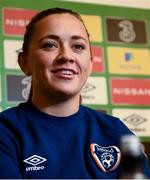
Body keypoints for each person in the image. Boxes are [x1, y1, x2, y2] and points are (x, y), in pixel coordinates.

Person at [0, 7, 149, 179]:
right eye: (50, 45)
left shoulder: (116, 131)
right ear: (24, 62)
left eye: (78, 46)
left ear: (91, 64)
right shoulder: (6, 132)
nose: (67, 56)